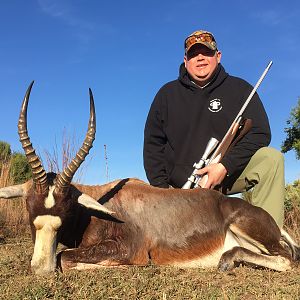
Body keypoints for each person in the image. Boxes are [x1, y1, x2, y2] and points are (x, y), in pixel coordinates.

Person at [143, 30, 285, 227]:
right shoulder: (166, 95)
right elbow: (152, 147)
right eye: (193, 54)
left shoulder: (240, 88)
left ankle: (268, 243)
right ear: (186, 60)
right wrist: (163, 193)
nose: (200, 58)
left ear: (218, 56)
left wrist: (225, 166)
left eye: (207, 52)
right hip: (179, 189)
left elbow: (261, 132)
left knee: (271, 160)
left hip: (225, 177)